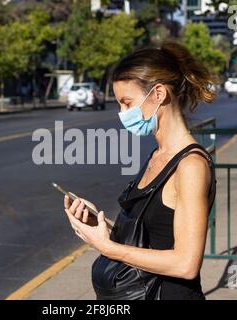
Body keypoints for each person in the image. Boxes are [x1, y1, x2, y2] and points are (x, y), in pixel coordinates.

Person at [63, 41, 218, 300]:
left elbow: (186, 264)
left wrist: (107, 247)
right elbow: (151, 238)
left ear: (158, 94)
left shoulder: (190, 166)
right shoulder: (157, 156)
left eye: (127, 102)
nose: (122, 113)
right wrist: (101, 225)